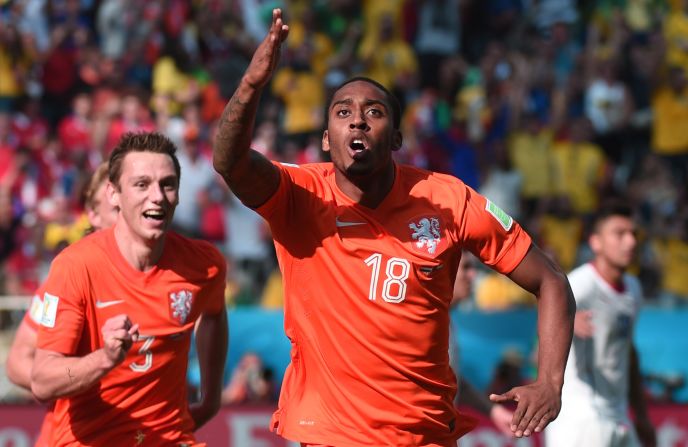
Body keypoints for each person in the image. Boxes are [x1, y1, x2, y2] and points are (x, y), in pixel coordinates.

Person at [213, 9, 575, 446]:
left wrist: (550, 381)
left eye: (375, 111)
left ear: (397, 138)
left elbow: (551, 281)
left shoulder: (448, 199)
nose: (358, 120)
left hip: (423, 436)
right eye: (342, 111)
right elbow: (230, 163)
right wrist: (251, 85)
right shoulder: (298, 194)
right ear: (327, 137)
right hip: (329, 435)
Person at [30, 132, 228, 446]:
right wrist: (105, 358)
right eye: (142, 184)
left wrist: (211, 396)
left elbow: (214, 314)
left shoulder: (205, 265)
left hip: (171, 438)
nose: (158, 197)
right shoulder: (75, 266)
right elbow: (41, 381)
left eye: (167, 184)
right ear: (113, 194)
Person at [6, 162, 117, 446]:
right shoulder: (66, 280)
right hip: (72, 434)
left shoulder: (163, 275)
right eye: (115, 209)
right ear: (92, 214)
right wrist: (70, 379)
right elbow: (18, 360)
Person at [545, 201, 656, 447]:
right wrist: (567, 322)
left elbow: (628, 353)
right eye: (620, 233)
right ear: (595, 241)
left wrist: (643, 416)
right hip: (580, 417)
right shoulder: (580, 284)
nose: (631, 242)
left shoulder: (633, 290)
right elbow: (542, 331)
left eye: (633, 234)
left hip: (617, 415)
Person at [450, 253, 515, 436]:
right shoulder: (420, 323)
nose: (473, 275)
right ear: (444, 269)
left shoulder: (447, 324)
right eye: (466, 268)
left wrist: (493, 411)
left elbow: (453, 382)